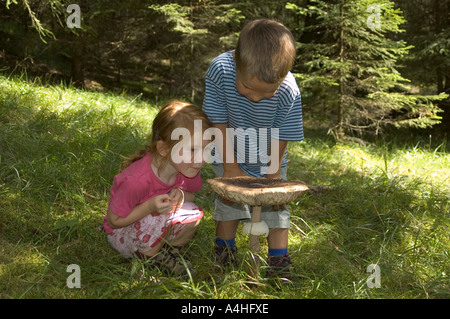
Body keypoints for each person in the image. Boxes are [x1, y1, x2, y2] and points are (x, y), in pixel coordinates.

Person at [203, 19, 304, 283]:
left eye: (267, 92)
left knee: (276, 209)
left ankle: (278, 262)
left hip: (269, 156)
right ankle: (224, 254)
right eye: (248, 88)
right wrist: (231, 166)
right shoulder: (220, 70)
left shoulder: (288, 89)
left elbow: (283, 134)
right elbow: (217, 120)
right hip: (227, 150)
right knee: (229, 204)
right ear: (236, 61)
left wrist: (272, 177)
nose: (256, 98)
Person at [104, 100, 213, 275]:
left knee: (193, 212)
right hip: (121, 233)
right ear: (163, 149)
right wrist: (149, 206)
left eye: (207, 149)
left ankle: (170, 250)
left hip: (152, 224)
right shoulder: (136, 180)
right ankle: (148, 258)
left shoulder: (187, 169)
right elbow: (114, 221)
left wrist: (183, 195)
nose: (202, 159)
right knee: (163, 216)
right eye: (193, 150)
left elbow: (192, 196)